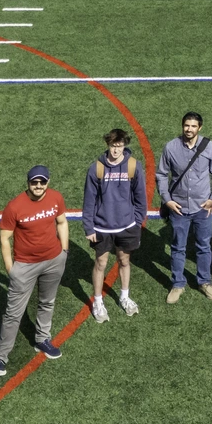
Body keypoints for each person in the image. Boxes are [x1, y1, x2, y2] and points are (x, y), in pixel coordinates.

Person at [0, 166, 69, 378]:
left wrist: (64, 250)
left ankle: (42, 339)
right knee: (13, 314)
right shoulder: (15, 206)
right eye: (34, 182)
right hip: (25, 266)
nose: (38, 186)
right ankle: (0, 359)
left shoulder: (56, 197)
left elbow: (62, 222)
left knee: (47, 302)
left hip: (54, 260)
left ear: (48, 182)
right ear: (28, 183)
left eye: (42, 182)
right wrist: (11, 269)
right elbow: (4, 238)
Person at [156, 111, 212, 304]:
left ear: (199, 128)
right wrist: (167, 200)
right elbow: (161, 174)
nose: (189, 129)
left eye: (193, 126)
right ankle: (178, 284)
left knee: (203, 246)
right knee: (178, 247)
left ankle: (205, 282)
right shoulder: (171, 147)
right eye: (187, 125)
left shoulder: (209, 146)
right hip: (178, 208)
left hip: (202, 208)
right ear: (182, 126)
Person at [82, 128, 148, 323]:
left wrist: (136, 222)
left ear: (125, 146)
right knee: (101, 263)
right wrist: (89, 227)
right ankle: (98, 301)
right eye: (113, 146)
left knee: (124, 261)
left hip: (127, 226)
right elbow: (89, 201)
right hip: (102, 227)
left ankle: (124, 297)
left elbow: (140, 199)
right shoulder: (96, 168)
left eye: (119, 146)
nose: (116, 150)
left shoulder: (134, 166)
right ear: (107, 145)